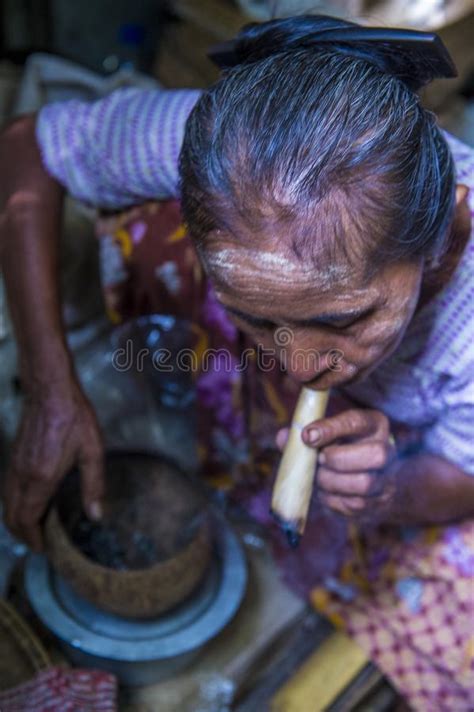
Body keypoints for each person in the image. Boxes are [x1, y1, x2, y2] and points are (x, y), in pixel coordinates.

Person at [0, 14, 473, 709]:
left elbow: (464, 475)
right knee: (153, 257)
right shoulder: (230, 156)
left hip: (411, 437)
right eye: (259, 315)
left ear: (447, 235)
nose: (302, 363)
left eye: (345, 320)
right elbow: (27, 150)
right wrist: (50, 384)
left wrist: (386, 489)